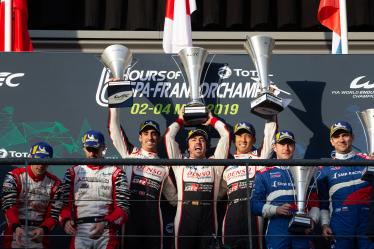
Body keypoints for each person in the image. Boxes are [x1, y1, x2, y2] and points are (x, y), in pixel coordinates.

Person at [108, 107, 177, 249]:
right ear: (140, 137)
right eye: (146, 133)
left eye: (153, 134)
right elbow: (114, 130)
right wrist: (114, 106)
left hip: (153, 221)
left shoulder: (164, 166)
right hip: (130, 217)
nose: (150, 137)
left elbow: (174, 199)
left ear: (158, 138)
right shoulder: (130, 153)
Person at [164, 107, 230, 249]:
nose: (198, 142)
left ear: (207, 146)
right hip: (183, 224)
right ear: (187, 147)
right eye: (193, 140)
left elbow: (225, 136)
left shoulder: (215, 164)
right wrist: (180, 120)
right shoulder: (180, 163)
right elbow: (168, 137)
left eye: (202, 140)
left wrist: (212, 120)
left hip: (209, 224)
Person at [59, 130, 131, 249]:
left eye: (95, 149)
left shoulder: (116, 173)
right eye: (89, 149)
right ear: (83, 148)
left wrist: (106, 222)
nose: (92, 153)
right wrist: (66, 221)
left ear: (103, 148)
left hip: (106, 230)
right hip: (80, 231)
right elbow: (63, 206)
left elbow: (123, 209)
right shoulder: (72, 172)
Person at [251, 130, 319, 249]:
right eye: (282, 144)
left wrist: (312, 220)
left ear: (294, 146)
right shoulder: (264, 174)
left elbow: (314, 203)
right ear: (274, 147)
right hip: (277, 227)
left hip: (302, 228)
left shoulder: (305, 170)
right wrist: (276, 209)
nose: (286, 148)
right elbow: (254, 205)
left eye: (290, 144)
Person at [317, 121, 374, 249]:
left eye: (345, 135)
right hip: (340, 223)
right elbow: (323, 202)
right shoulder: (325, 168)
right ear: (332, 141)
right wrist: (325, 224)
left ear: (352, 137)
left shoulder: (367, 161)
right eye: (337, 136)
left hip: (368, 222)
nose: (341, 140)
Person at [221, 118, 277, 249]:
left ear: (254, 140)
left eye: (247, 135)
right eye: (240, 136)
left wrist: (271, 114)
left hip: (253, 213)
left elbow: (269, 138)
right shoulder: (226, 163)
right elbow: (218, 193)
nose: (243, 140)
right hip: (232, 213)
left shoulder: (260, 158)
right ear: (234, 140)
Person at [1, 142, 61, 248]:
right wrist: (16, 227)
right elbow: (9, 205)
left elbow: (54, 213)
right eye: (37, 160)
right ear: (29, 158)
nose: (40, 165)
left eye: (45, 161)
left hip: (40, 234)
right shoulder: (14, 176)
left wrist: (44, 229)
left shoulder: (56, 183)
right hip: (15, 231)